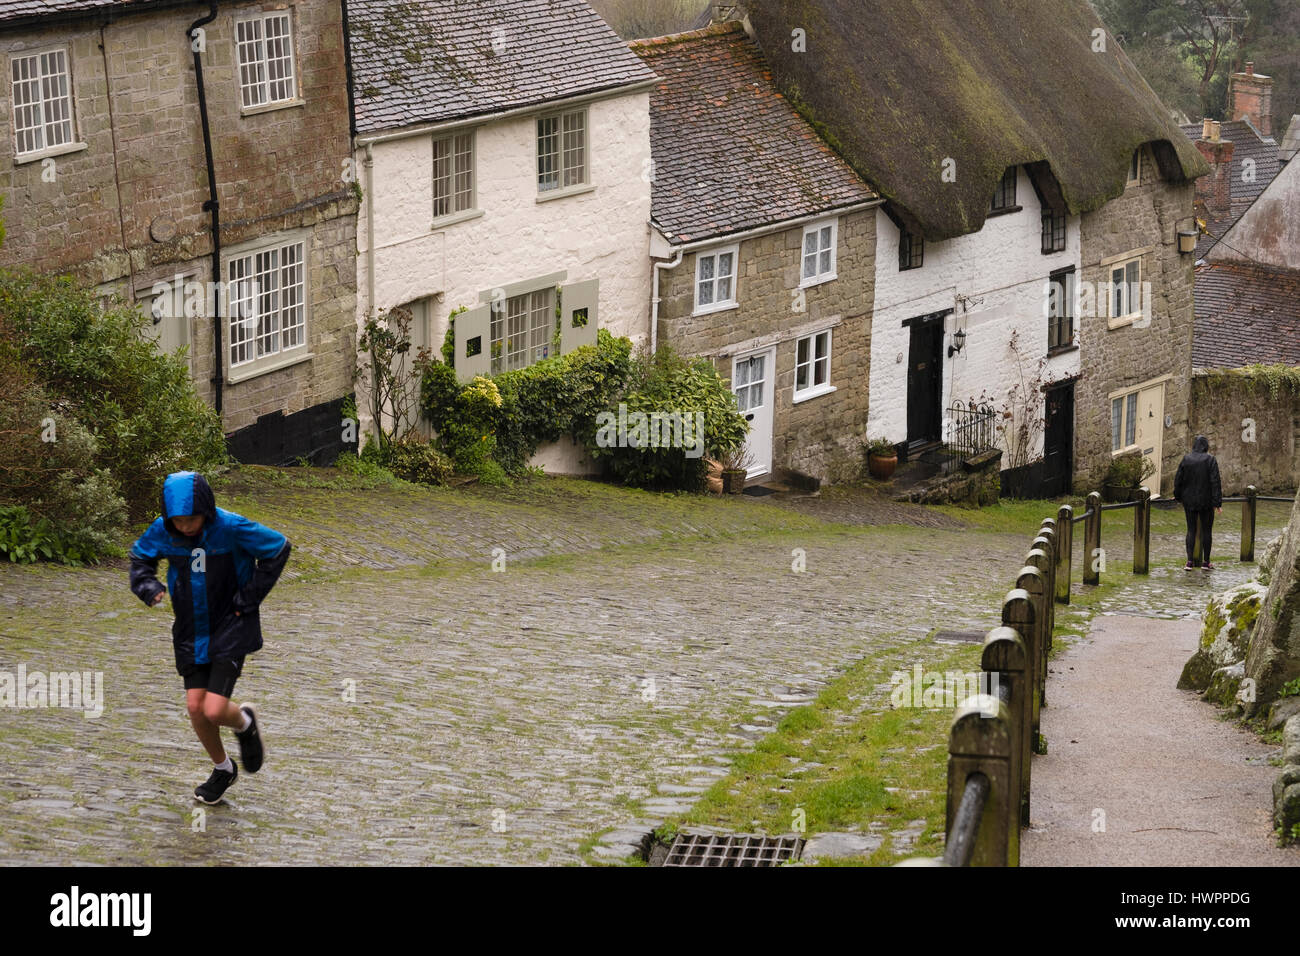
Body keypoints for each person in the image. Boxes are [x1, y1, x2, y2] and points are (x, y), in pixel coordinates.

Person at [128, 471, 291, 803]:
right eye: (179, 520)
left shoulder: (230, 527)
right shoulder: (163, 530)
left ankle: (244, 723)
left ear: (207, 508)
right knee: (195, 707)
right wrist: (147, 586)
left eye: (193, 518)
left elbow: (278, 547)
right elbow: (141, 557)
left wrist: (247, 599)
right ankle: (223, 768)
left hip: (230, 626)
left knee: (215, 709)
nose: (186, 526)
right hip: (190, 630)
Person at [1173, 435, 1222, 570]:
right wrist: (1217, 503)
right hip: (1206, 501)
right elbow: (1215, 482)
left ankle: (1189, 561)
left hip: (1189, 500)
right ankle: (1206, 562)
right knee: (1207, 531)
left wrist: (1177, 496)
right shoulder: (1210, 460)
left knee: (1191, 530)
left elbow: (1178, 480)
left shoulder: (1186, 459)